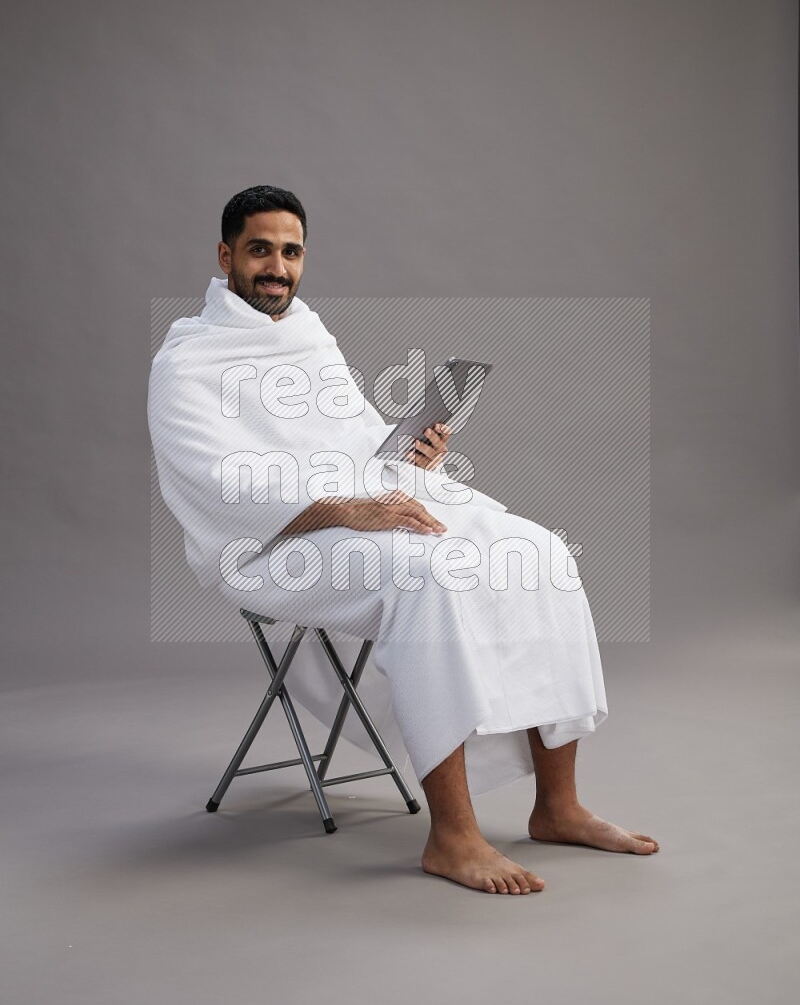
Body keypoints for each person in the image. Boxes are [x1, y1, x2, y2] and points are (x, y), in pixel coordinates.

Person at [148, 184, 659, 896]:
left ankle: (557, 805)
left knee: (539, 552)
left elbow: (354, 438)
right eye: (260, 249)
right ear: (225, 254)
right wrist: (346, 508)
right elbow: (215, 482)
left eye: (291, 252)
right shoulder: (186, 363)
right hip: (268, 543)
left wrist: (407, 455)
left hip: (355, 511)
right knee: (430, 575)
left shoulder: (307, 336)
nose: (277, 267)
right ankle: (452, 835)